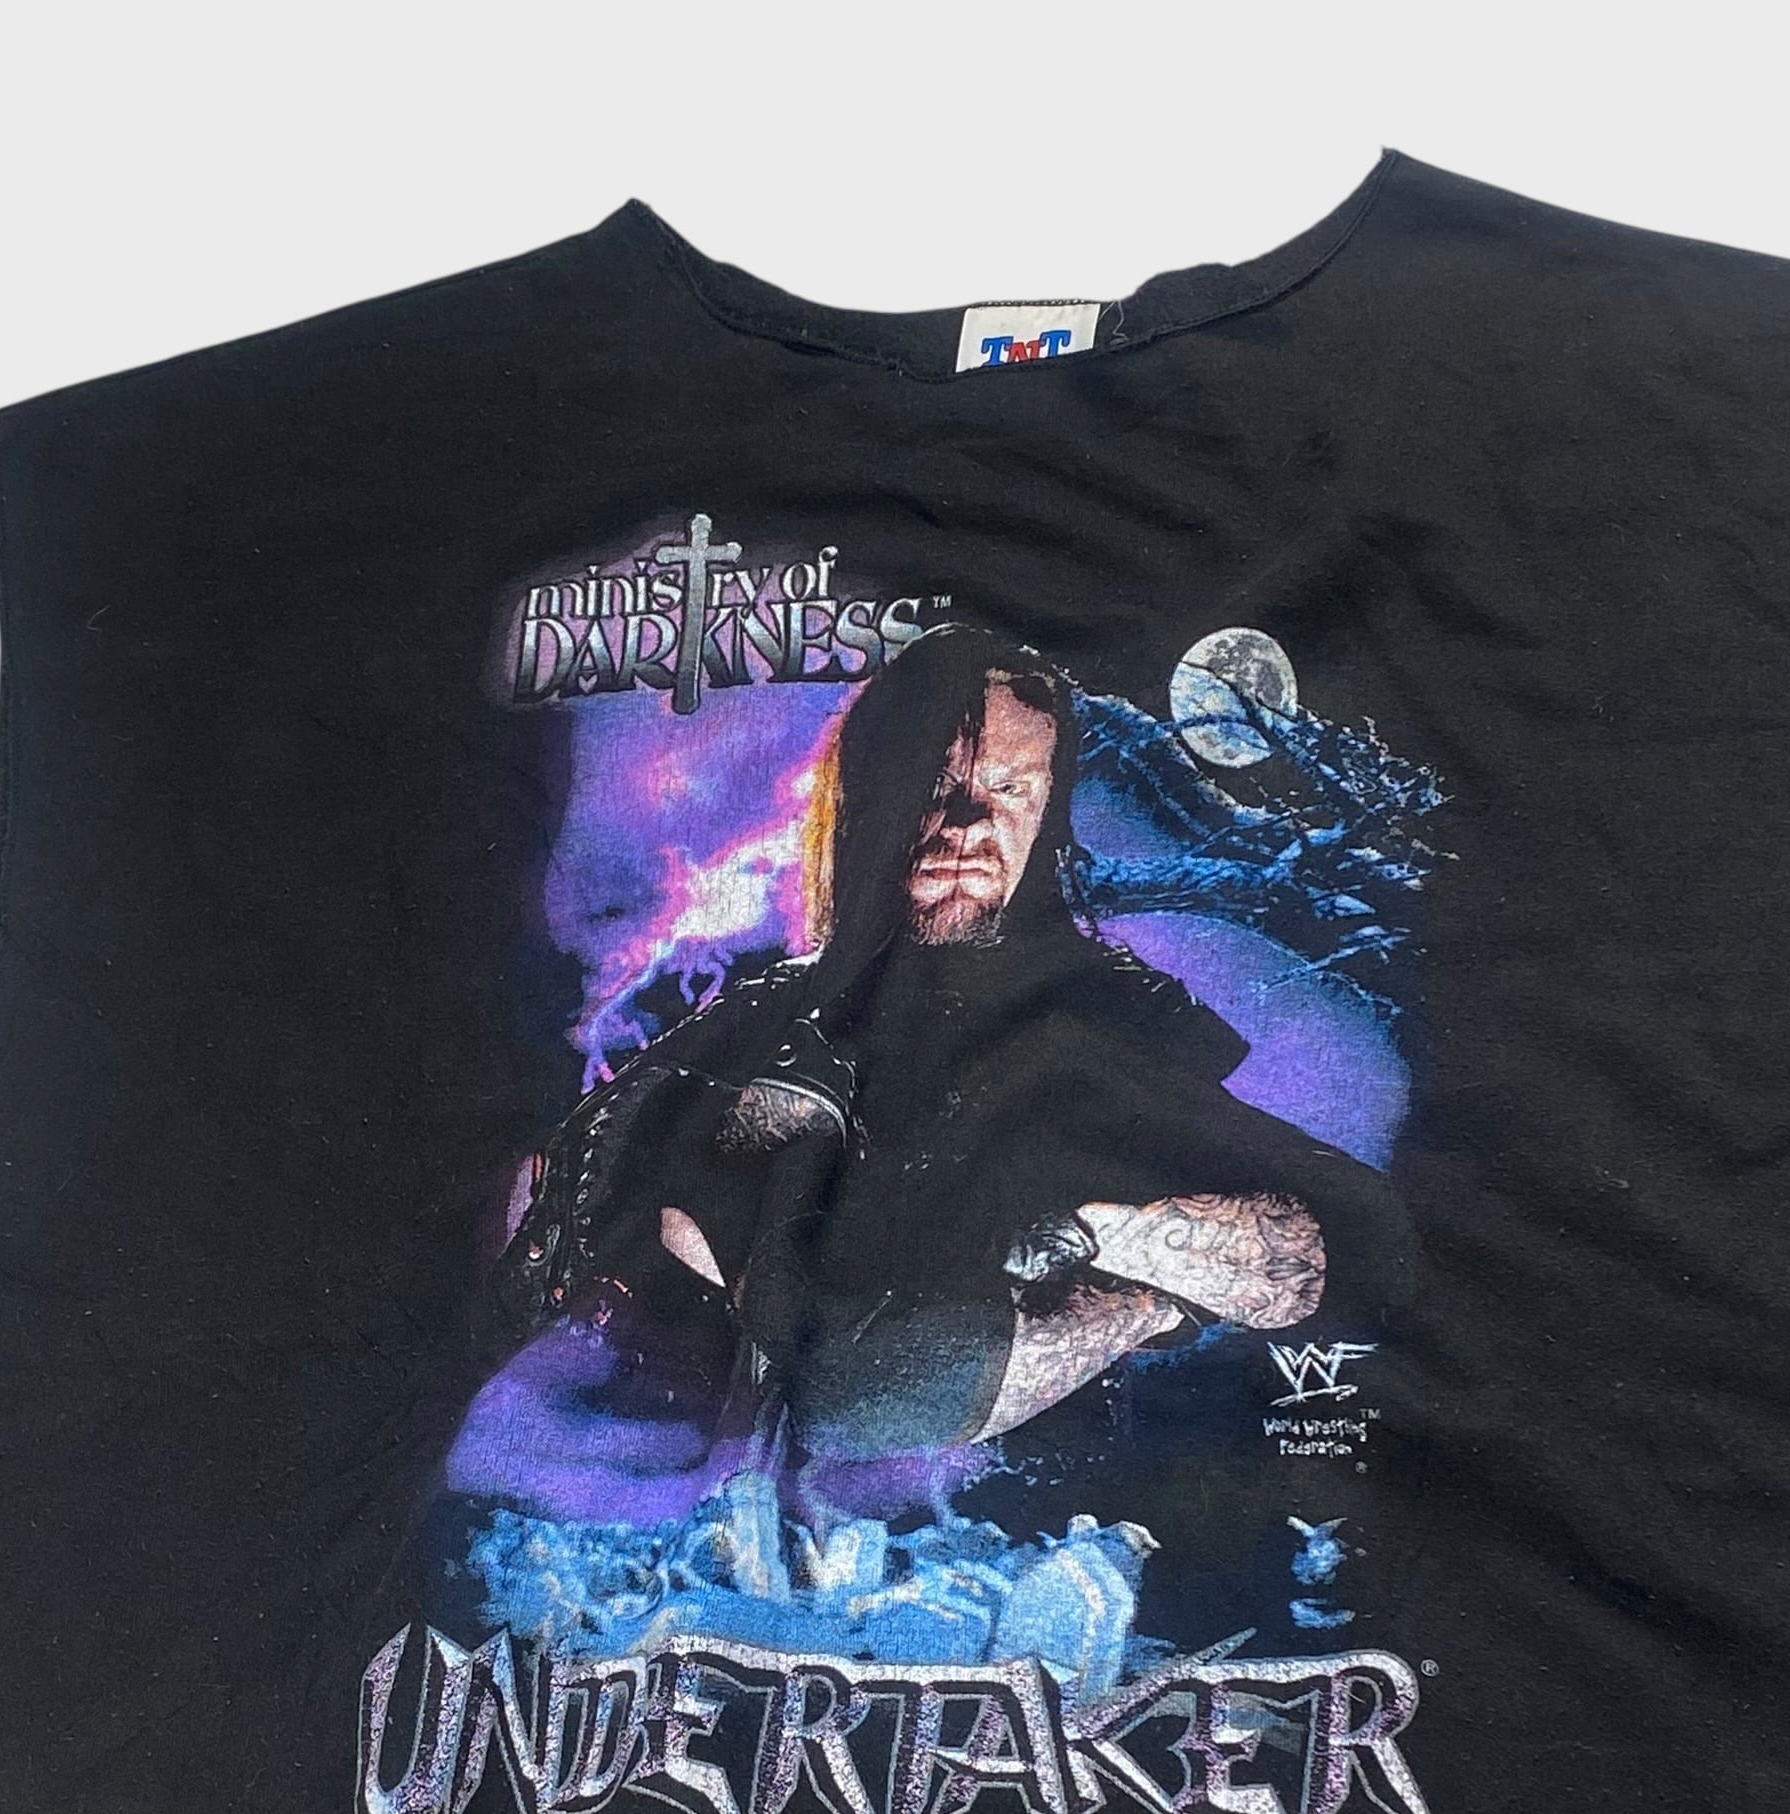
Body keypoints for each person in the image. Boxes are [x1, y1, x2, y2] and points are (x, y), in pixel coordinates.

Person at [486, 623, 1412, 1467]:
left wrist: (1090, 1234)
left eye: (1009, 790)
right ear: (872, 799)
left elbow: (1354, 1247)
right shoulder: (770, 1026)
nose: (969, 825)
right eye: (935, 789)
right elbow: (847, 1384)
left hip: (1038, 1535)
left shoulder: (1093, 1026)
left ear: (1047, 809)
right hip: (646, 1495)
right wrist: (1144, 1287)